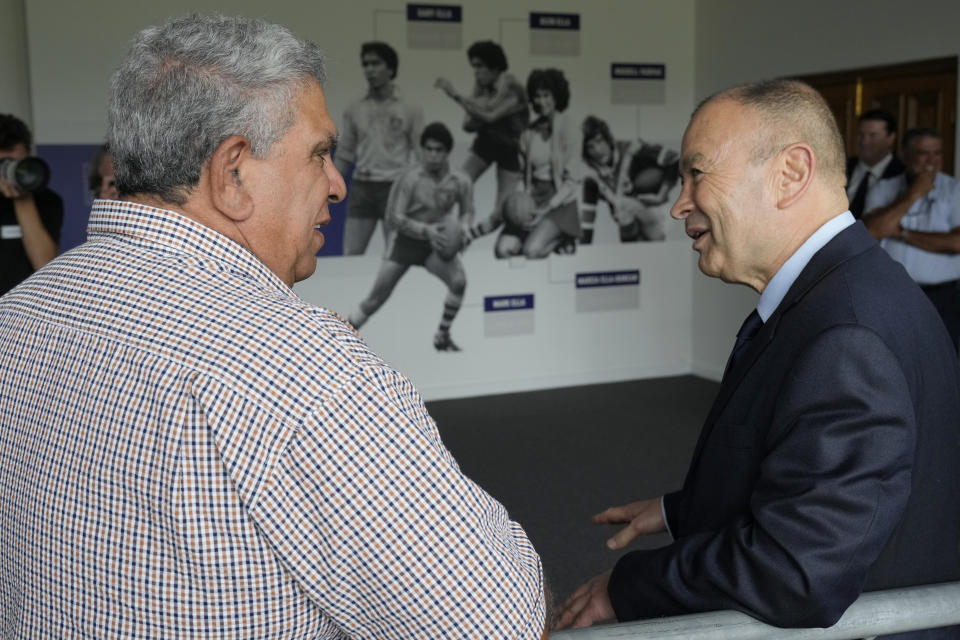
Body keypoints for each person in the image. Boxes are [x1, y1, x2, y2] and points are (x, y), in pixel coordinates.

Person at [0, 15, 546, 639]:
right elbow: (497, 623)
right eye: (319, 154)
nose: (337, 185)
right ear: (232, 174)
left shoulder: (21, 311)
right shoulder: (303, 369)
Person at [555, 79, 960, 636]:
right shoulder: (845, 292)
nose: (678, 205)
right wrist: (686, 510)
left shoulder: (848, 334)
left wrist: (624, 587)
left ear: (791, 173)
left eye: (697, 174)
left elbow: (796, 573)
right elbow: (822, 473)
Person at [348, 123, 473, 352]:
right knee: (375, 299)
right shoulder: (409, 178)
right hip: (407, 241)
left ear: (447, 152)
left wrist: (464, 228)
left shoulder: (460, 180)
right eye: (429, 149)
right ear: (423, 149)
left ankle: (442, 336)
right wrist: (426, 230)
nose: (433, 155)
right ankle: (342, 340)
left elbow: (467, 210)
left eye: (439, 150)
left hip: (436, 243)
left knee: (459, 282)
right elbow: (394, 217)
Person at [863, 127, 960, 352]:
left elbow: (956, 243)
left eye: (937, 153)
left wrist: (900, 232)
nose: (932, 161)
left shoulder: (954, 190)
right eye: (923, 153)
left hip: (943, 297)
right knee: (895, 357)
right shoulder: (884, 187)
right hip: (893, 293)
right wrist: (914, 193)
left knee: (942, 363)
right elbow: (871, 232)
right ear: (905, 155)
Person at [334, 41, 424, 255]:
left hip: (396, 187)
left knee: (395, 257)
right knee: (351, 255)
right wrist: (329, 187)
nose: (369, 69)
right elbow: (345, 153)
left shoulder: (410, 108)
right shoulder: (355, 108)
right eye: (366, 64)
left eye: (376, 64)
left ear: (390, 69)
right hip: (362, 187)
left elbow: (421, 153)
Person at [435, 40, 527, 217]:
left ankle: (473, 235)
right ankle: (437, 230)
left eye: (479, 66)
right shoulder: (482, 85)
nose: (476, 72)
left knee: (503, 211)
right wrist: (478, 104)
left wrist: (455, 95)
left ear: (494, 67)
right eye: (473, 66)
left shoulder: (511, 85)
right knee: (454, 188)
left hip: (511, 148)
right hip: (488, 141)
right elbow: (467, 125)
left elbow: (489, 114)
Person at [579, 115, 679, 244]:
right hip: (629, 224)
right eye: (590, 147)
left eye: (599, 141)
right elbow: (587, 220)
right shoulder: (592, 175)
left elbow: (675, 159)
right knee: (622, 215)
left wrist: (661, 195)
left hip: (656, 215)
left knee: (623, 205)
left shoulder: (631, 149)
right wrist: (582, 254)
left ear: (608, 139)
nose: (597, 150)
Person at [0, 113, 63, 296]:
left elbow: (44, 264)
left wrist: (22, 198)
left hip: (25, 312)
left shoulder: (48, 200)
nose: (7, 170)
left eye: (15, 163)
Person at [846, 109, 904, 219]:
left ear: (891, 138)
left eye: (872, 135)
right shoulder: (842, 168)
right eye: (861, 134)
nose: (864, 141)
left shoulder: (901, 173)